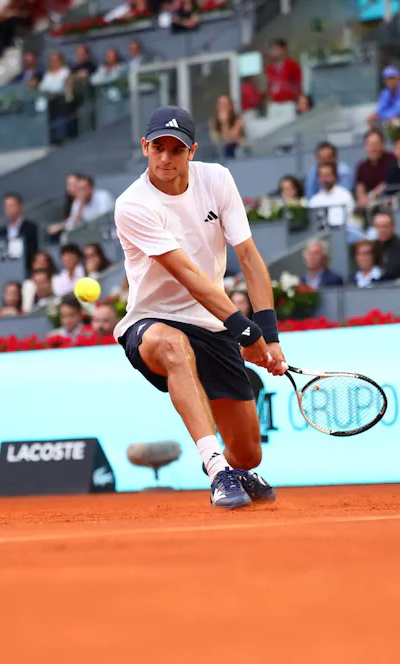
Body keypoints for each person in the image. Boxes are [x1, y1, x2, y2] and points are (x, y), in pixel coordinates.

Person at [111, 105, 286, 509]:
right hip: (152, 323)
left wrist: (269, 335)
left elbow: (249, 256)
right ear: (145, 147)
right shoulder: (133, 204)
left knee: (248, 453)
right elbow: (188, 275)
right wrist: (246, 331)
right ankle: (216, 469)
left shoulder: (217, 179)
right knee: (174, 346)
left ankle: (234, 467)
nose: (166, 158)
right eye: (159, 148)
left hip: (212, 324)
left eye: (176, 149)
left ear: (192, 151)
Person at [0, 192, 39, 279]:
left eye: (11, 206)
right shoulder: (1, 232)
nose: (8, 210)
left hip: (26, 271)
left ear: (20, 207)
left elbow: (31, 252)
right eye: (6, 206)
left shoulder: (30, 228)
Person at [308, 164, 360, 240]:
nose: (325, 179)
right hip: (321, 235)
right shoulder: (314, 200)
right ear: (319, 178)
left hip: (344, 233)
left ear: (335, 177)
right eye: (322, 176)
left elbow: (350, 216)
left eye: (328, 175)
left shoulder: (345, 195)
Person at [354, 130, 395, 209]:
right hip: (368, 206)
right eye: (370, 144)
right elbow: (360, 186)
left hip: (387, 202)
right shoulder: (362, 166)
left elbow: (387, 183)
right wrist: (362, 198)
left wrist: (370, 196)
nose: (373, 148)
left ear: (383, 145)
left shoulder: (392, 160)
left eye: (376, 144)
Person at [368, 211, 400, 281]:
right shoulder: (373, 246)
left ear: (393, 227)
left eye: (385, 227)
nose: (381, 230)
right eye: (378, 227)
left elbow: (393, 272)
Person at [208, 94, 246, 159]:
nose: (222, 107)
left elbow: (232, 137)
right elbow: (219, 141)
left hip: (238, 151)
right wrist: (223, 124)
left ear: (230, 106)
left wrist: (225, 123)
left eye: (225, 104)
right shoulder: (213, 122)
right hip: (221, 153)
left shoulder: (238, 120)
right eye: (220, 104)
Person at [265, 38, 302, 104]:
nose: (273, 52)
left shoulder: (292, 65)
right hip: (275, 102)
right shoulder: (270, 68)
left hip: (289, 101)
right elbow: (269, 85)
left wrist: (298, 98)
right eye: (272, 50)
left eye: (276, 50)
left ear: (283, 50)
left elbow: (298, 83)